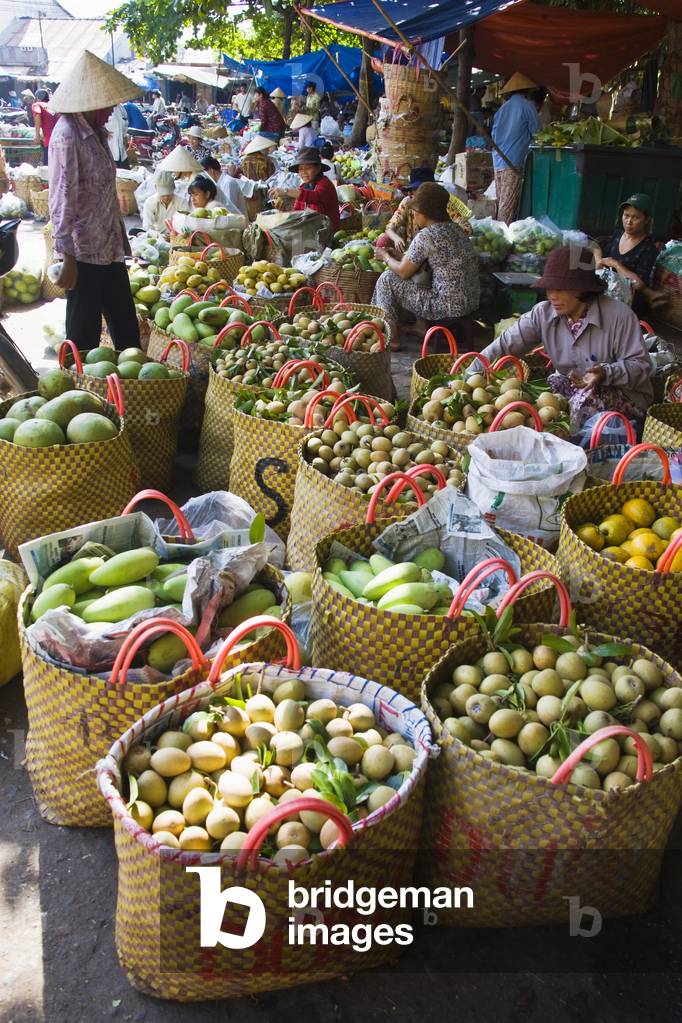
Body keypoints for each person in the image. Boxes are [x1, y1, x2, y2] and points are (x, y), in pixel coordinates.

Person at [478, 245, 653, 425]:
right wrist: (469, 374)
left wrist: (606, 373)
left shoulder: (619, 316)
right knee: (537, 395)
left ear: (582, 289)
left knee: (583, 402)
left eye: (560, 289)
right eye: (549, 288)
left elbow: (641, 365)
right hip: (575, 387)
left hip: (623, 393)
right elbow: (505, 345)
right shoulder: (543, 314)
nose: (552, 296)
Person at [48, 49, 141, 352]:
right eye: (108, 103)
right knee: (83, 337)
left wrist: (120, 236)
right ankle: (78, 393)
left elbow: (103, 191)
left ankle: (133, 393)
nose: (113, 109)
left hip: (109, 248)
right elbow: (63, 196)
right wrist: (67, 257)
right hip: (84, 253)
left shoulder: (97, 133)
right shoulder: (67, 135)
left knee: (127, 330)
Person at [373, 182, 479, 350]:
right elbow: (424, 261)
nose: (413, 216)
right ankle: (421, 328)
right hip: (470, 302)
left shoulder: (426, 235)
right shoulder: (457, 230)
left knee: (387, 279)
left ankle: (391, 338)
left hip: (444, 306)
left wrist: (385, 256)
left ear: (424, 213)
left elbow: (402, 272)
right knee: (422, 276)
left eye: (415, 212)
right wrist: (398, 255)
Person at [596, 193, 667, 317]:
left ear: (646, 220)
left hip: (628, 302)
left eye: (636, 217)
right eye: (626, 215)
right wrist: (598, 260)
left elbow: (638, 283)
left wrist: (616, 265)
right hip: (608, 291)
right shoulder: (618, 235)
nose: (629, 222)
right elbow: (597, 250)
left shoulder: (648, 248)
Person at [383, 166, 472, 253]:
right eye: (417, 190)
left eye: (423, 189)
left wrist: (440, 237)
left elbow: (467, 229)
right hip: (412, 251)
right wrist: (396, 238)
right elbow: (390, 227)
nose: (419, 193)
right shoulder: (408, 202)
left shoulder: (443, 203)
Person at [491, 72, 541, 224]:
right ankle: (503, 238)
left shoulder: (503, 108)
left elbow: (494, 134)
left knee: (501, 202)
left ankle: (501, 232)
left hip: (498, 159)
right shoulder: (527, 107)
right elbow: (538, 133)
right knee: (507, 206)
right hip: (513, 161)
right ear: (527, 91)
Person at [269, 147, 339, 228]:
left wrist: (286, 191)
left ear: (318, 168)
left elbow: (315, 197)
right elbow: (298, 211)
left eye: (308, 168)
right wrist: (284, 212)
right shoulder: (304, 186)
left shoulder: (325, 184)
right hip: (311, 228)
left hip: (328, 231)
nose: (304, 172)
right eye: (301, 169)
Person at [33, 89, 60, 164]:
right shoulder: (53, 105)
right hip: (60, 138)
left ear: (37, 98)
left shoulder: (37, 105)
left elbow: (37, 115)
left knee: (48, 166)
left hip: (49, 140)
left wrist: (37, 136)